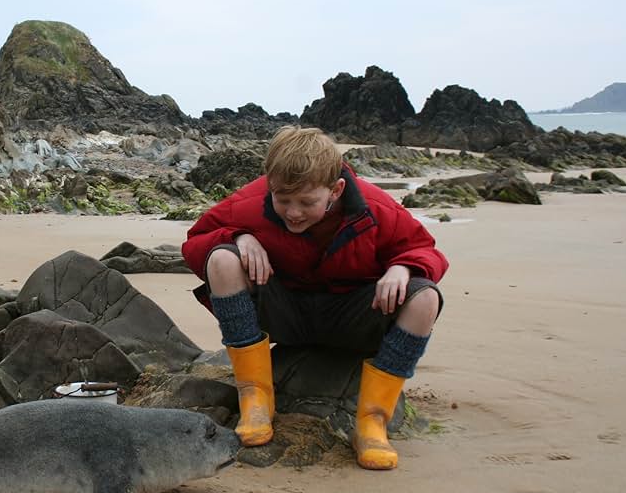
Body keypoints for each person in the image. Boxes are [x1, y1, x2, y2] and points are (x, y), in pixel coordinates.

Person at [181, 126, 448, 470]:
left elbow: (424, 249)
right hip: (285, 315)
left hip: (352, 320)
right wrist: (239, 235)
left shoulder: (375, 207)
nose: (293, 212)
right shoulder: (252, 200)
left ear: (336, 190)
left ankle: (372, 421)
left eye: (307, 202)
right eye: (282, 200)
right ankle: (255, 398)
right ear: (269, 183)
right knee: (221, 258)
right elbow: (195, 240)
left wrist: (404, 267)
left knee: (425, 297)